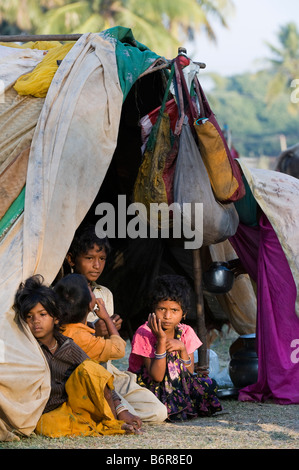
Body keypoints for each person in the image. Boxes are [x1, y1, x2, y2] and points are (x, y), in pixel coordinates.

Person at [64, 224, 168, 423]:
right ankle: (113, 410)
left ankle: (113, 410)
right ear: (71, 259)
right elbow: (63, 340)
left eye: (101, 259)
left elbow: (113, 346)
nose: (97, 265)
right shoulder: (62, 293)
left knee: (158, 412)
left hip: (109, 371)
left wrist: (111, 327)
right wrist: (94, 331)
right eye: (89, 258)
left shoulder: (104, 294)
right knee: (119, 411)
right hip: (83, 374)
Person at [13, 274, 137, 438]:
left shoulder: (68, 345)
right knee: (47, 426)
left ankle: (112, 423)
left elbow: (99, 378)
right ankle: (98, 426)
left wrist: (121, 409)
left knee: (90, 367)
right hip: (52, 411)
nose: (36, 321)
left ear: (56, 318)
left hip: (75, 403)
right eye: (30, 316)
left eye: (42, 315)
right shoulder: (29, 347)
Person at [54, 273, 142, 431]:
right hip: (80, 399)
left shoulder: (61, 329)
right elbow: (119, 349)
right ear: (90, 305)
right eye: (90, 289)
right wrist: (107, 319)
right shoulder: (82, 338)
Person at [128, 274, 222, 421]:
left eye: (174, 310)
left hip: (179, 385)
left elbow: (189, 373)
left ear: (183, 313)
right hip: (150, 385)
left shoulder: (186, 332)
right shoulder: (144, 333)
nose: (167, 315)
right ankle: (176, 406)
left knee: (208, 384)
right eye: (162, 309)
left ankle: (179, 403)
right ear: (153, 309)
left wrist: (183, 349)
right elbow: (156, 376)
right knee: (170, 357)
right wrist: (161, 340)